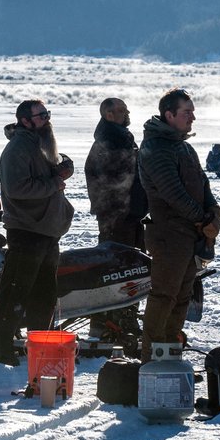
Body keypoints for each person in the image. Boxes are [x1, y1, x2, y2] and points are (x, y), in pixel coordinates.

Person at [0, 99, 75, 366]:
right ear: (25, 120)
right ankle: (0, 351)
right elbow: (17, 189)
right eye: (41, 115)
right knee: (15, 293)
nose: (46, 119)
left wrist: (62, 167)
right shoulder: (18, 148)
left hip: (47, 231)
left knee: (44, 296)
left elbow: (50, 170)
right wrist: (54, 183)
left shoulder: (40, 144)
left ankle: (41, 346)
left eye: (47, 114)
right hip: (27, 231)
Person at [138, 88, 220, 359]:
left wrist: (213, 209)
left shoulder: (183, 147)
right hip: (169, 235)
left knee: (183, 296)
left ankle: (170, 353)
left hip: (189, 235)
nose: (193, 117)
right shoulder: (155, 148)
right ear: (169, 114)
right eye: (187, 112)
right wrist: (202, 218)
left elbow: (201, 182)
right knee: (164, 296)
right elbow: (172, 193)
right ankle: (152, 357)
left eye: (193, 112)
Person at [84, 97, 148, 339]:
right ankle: (113, 321)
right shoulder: (109, 142)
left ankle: (122, 318)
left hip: (128, 216)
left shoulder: (120, 138)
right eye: (121, 110)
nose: (127, 113)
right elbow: (109, 181)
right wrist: (118, 209)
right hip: (118, 218)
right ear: (109, 114)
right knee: (118, 270)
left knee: (131, 268)